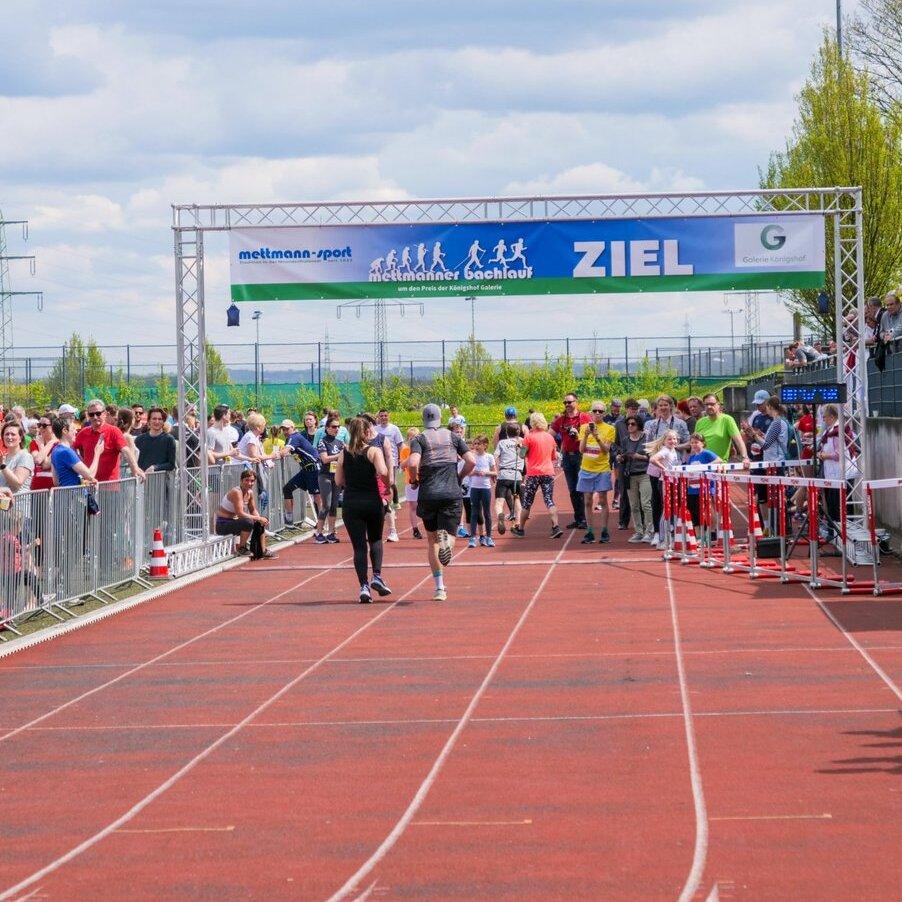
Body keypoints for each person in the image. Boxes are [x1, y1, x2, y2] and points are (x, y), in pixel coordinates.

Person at [407, 403, 475, 602]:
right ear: (440, 418)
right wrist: (460, 476)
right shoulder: (453, 437)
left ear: (423, 419)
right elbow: (471, 460)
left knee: (432, 542)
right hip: (451, 491)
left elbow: (412, 463)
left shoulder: (419, 439)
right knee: (450, 535)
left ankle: (439, 588)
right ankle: (448, 542)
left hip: (428, 493)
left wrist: (413, 480)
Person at [335, 416, 392, 604]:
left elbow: (338, 481)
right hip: (372, 501)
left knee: (359, 547)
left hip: (351, 503)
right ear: (367, 433)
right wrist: (387, 485)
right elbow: (383, 472)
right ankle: (376, 575)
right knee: (375, 540)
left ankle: (364, 586)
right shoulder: (374, 451)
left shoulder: (344, 452)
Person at [514, 412, 563, 539]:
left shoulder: (529, 437)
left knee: (527, 502)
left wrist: (519, 447)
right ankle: (555, 526)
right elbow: (553, 456)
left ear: (532, 423)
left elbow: (521, 455)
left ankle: (521, 529)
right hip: (548, 472)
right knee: (549, 500)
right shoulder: (550, 437)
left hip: (533, 473)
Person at [74, 398, 144, 483]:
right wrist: (79, 463)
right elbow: (71, 448)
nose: (95, 417)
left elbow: (126, 451)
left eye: (98, 413)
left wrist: (135, 469)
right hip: (90, 484)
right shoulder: (83, 433)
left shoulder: (114, 431)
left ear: (105, 414)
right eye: (91, 414)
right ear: (88, 416)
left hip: (109, 486)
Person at [214, 469, 276, 560]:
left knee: (260, 521)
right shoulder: (236, 492)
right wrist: (258, 518)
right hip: (222, 525)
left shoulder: (250, 493)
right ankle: (241, 548)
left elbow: (253, 509)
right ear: (241, 480)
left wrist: (260, 519)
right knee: (248, 522)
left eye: (252, 481)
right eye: (246, 480)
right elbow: (240, 513)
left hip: (234, 521)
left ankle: (262, 550)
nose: (249, 483)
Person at [576, 402, 616, 544]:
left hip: (602, 469)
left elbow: (606, 449)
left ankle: (604, 531)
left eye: (600, 411)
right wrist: (587, 435)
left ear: (604, 413)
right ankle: (590, 531)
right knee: (587, 501)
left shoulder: (610, 429)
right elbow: (581, 450)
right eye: (595, 411)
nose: (598, 413)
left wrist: (597, 437)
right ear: (590, 412)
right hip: (586, 469)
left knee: (603, 500)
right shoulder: (583, 428)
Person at [551, 392, 591, 529]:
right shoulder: (561, 420)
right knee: (572, 489)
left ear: (576, 402)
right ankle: (578, 518)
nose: (567, 405)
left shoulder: (584, 417)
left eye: (570, 402)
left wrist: (577, 435)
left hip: (581, 456)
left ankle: (585, 518)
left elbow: (590, 435)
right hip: (567, 457)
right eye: (565, 403)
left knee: (582, 488)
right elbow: (549, 435)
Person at [618, 414, 653, 543]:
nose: (630, 426)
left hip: (645, 474)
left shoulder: (646, 438)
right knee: (634, 505)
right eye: (628, 424)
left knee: (646, 504)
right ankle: (639, 531)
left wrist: (639, 456)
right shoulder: (625, 440)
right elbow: (622, 455)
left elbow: (652, 457)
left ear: (639, 425)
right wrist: (620, 458)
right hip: (630, 475)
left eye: (633, 424)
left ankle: (649, 531)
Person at [646, 429, 681, 547]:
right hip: (666, 483)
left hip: (674, 482)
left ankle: (669, 536)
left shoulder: (673, 450)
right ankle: (662, 539)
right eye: (670, 439)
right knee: (666, 509)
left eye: (674, 439)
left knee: (672, 509)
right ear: (664, 441)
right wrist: (664, 469)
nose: (673, 441)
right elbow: (652, 459)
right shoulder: (665, 450)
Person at [282, 421, 320, 526]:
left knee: (316, 495)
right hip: (305, 469)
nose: (285, 431)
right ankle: (289, 520)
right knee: (287, 488)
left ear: (293, 428)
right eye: (283, 429)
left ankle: (321, 522)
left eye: (287, 429)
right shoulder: (290, 438)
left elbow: (285, 451)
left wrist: (272, 456)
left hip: (314, 468)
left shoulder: (294, 437)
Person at [376, 409, 404, 543]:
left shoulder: (394, 429)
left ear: (389, 416)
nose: (383, 418)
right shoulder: (375, 430)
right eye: (381, 416)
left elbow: (400, 445)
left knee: (390, 484)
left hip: (390, 461)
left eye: (385, 415)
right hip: (377, 464)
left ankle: (389, 504)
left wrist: (400, 459)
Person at [315, 415, 344, 544]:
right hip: (325, 476)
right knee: (326, 504)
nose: (336, 429)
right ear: (327, 428)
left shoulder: (340, 442)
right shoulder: (323, 441)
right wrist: (340, 455)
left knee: (334, 505)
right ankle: (319, 532)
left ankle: (332, 532)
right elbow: (325, 459)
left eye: (338, 426)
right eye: (333, 427)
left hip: (336, 476)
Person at [694, 394, 748, 463]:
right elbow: (694, 444)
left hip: (719, 467)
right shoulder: (700, 422)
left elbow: (739, 441)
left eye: (712, 404)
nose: (709, 406)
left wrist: (745, 457)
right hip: (701, 465)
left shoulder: (727, 420)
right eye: (706, 404)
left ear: (718, 405)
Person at [49, 417, 101, 488]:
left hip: (63, 495)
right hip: (74, 495)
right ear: (64, 430)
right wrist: (97, 453)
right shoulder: (66, 451)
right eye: (73, 429)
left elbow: (56, 481)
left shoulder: (55, 451)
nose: (76, 431)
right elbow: (90, 475)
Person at [493, 421, 524, 533]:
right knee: (517, 499)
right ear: (519, 432)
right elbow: (523, 456)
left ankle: (500, 515)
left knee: (499, 501)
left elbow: (495, 456)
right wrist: (520, 447)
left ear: (506, 432)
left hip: (504, 474)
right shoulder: (522, 442)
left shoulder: (502, 443)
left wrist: (495, 470)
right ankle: (517, 523)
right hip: (517, 475)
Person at [467, 435, 496, 548]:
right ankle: (473, 538)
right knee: (474, 512)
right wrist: (474, 473)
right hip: (474, 488)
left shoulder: (489, 457)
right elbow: (468, 473)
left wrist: (486, 473)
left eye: (478, 444)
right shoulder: (472, 457)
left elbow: (495, 472)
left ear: (485, 445)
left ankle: (488, 537)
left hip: (485, 488)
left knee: (487, 513)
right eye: (475, 444)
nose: (476, 446)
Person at [684, 433, 719, 530]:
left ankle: (713, 531)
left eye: (696, 442)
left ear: (702, 443)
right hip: (693, 489)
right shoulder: (691, 457)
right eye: (692, 443)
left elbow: (719, 460)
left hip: (705, 488)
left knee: (708, 510)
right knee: (695, 511)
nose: (694, 445)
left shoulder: (707, 453)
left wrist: (706, 466)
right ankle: (699, 536)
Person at [135, 407, 177, 473]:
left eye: (160, 419)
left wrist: (155, 467)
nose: (157, 422)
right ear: (149, 421)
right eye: (154, 419)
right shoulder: (139, 439)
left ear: (163, 421)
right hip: (142, 480)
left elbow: (171, 464)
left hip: (160, 480)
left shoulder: (169, 439)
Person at [399, 427, 423, 539]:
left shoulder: (423, 448)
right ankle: (415, 529)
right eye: (411, 437)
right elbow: (403, 465)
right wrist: (412, 456)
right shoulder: (405, 451)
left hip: (424, 480)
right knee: (413, 506)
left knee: (426, 506)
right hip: (411, 481)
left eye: (415, 437)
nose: (413, 439)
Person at [0, 422, 34, 494]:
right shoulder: (3, 457)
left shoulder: (25, 456)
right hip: (3, 504)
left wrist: (3, 466)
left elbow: (17, 483)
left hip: (18, 503)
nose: (9, 437)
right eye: (6, 434)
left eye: (13, 434)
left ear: (20, 438)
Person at [29, 415, 58, 492]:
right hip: (37, 488)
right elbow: (37, 460)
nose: (41, 428)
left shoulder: (59, 444)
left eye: (44, 425)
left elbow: (46, 465)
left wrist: (41, 446)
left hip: (54, 488)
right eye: (39, 425)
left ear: (53, 427)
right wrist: (42, 444)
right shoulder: (35, 443)